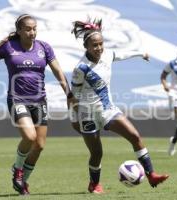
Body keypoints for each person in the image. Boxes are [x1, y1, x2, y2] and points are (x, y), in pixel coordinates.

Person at [0, 14, 76, 195]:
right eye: (28, 29)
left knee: (40, 145)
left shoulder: (44, 47)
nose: (32, 32)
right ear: (19, 30)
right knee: (29, 136)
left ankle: (22, 181)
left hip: (40, 101)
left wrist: (69, 94)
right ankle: (17, 170)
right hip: (17, 99)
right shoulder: (8, 47)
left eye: (34, 28)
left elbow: (58, 71)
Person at [69, 18, 169, 194]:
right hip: (87, 115)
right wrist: (74, 118)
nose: (99, 48)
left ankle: (151, 174)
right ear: (86, 46)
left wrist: (141, 53)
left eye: (101, 44)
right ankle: (94, 185)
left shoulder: (107, 54)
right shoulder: (81, 69)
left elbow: (122, 54)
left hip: (108, 110)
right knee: (97, 153)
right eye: (94, 45)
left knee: (135, 136)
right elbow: (73, 96)